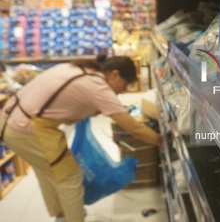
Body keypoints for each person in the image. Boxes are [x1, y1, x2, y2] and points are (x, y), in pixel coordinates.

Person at [0, 55, 161, 222]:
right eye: (124, 85)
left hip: (8, 119)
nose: (122, 91)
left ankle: (62, 214)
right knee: (70, 177)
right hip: (25, 128)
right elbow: (134, 129)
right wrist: (162, 140)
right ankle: (71, 218)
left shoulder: (81, 69)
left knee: (48, 172)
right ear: (114, 74)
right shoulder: (97, 86)